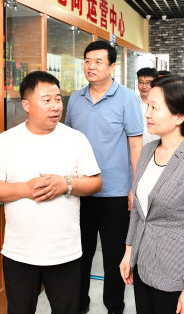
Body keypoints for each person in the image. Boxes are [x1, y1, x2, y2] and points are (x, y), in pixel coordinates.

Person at [0, 71, 102, 314]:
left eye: (58, 99)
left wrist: (66, 184)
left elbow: (96, 183)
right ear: (26, 104)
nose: (55, 106)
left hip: (64, 252)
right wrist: (25, 189)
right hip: (19, 252)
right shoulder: (6, 141)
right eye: (46, 100)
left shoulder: (75, 139)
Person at [119, 75, 184, 314]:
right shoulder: (148, 151)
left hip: (177, 277)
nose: (147, 114)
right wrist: (129, 251)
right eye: (147, 105)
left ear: (179, 116)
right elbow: (139, 210)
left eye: (154, 108)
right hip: (143, 268)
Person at [64, 40, 143, 314]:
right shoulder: (75, 99)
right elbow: (68, 142)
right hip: (81, 190)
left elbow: (136, 145)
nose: (91, 66)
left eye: (98, 61)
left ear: (112, 66)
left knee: (113, 256)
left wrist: (135, 188)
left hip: (116, 193)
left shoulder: (127, 99)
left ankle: (114, 307)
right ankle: (79, 305)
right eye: (87, 61)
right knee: (79, 254)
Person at [137, 67, 160, 145]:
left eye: (148, 83)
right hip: (135, 148)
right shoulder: (131, 103)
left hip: (157, 146)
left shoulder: (162, 104)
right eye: (141, 82)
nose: (144, 86)